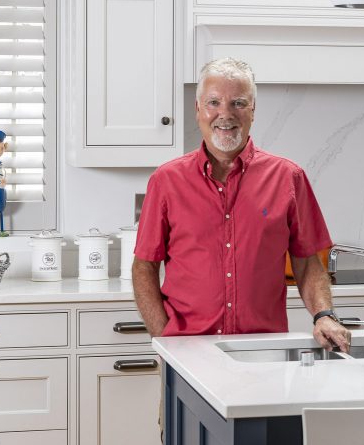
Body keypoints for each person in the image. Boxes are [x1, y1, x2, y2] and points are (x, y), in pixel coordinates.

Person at [132, 57, 350, 353]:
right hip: (188, 350)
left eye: (238, 103)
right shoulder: (166, 181)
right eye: (213, 103)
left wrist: (324, 315)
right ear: (198, 110)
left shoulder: (288, 177)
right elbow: (144, 266)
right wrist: (165, 339)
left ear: (253, 111)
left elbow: (307, 261)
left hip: (263, 351)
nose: (225, 114)